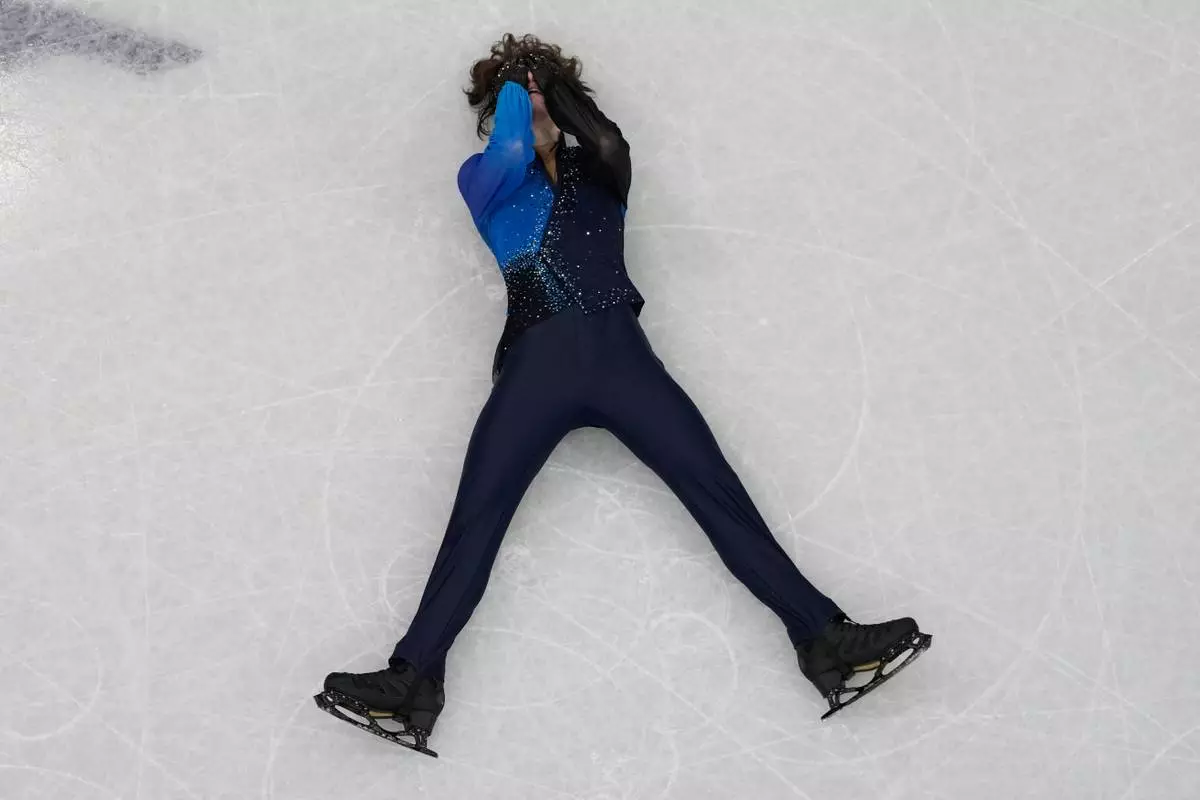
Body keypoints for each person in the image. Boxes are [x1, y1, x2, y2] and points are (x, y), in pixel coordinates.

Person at [314, 33, 931, 757]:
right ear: (496, 105)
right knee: (473, 523)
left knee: (720, 497)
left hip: (623, 363)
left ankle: (827, 642)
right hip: (537, 369)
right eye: (517, 91)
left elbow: (606, 138)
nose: (532, 98)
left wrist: (544, 82)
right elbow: (512, 151)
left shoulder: (600, 169)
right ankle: (413, 680)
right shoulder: (482, 175)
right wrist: (519, 84)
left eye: (541, 88)